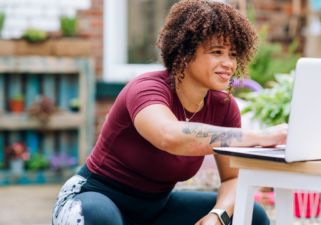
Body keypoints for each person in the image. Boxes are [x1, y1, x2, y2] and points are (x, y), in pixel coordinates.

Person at [52, 1, 287, 225]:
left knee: (251, 215)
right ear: (185, 53)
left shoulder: (224, 107)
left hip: (155, 209)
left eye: (233, 54)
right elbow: (170, 136)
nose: (228, 63)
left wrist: (217, 215)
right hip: (92, 200)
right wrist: (260, 137)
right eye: (217, 52)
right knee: (100, 217)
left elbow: (232, 178)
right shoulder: (146, 89)